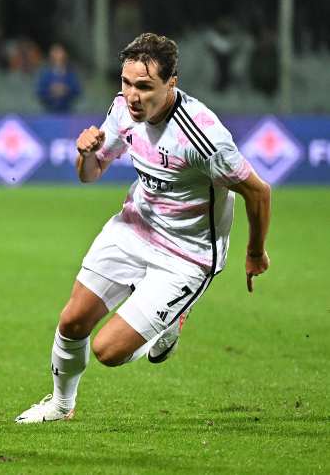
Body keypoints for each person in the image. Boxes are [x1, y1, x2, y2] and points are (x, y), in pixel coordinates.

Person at [15, 33, 271, 424]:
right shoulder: (122, 111)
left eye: (144, 87)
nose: (132, 96)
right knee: (71, 321)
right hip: (134, 228)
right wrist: (84, 154)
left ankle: (171, 319)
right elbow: (91, 173)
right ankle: (60, 406)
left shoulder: (202, 138)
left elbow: (258, 191)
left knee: (108, 351)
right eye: (126, 82)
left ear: (172, 83)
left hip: (187, 255)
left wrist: (254, 252)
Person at [36, 43, 82, 114]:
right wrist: (51, 91)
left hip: (68, 112)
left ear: (65, 55)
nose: (57, 56)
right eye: (55, 53)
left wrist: (66, 90)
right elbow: (39, 91)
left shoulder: (71, 74)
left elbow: (77, 90)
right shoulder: (45, 74)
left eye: (59, 52)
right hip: (49, 112)